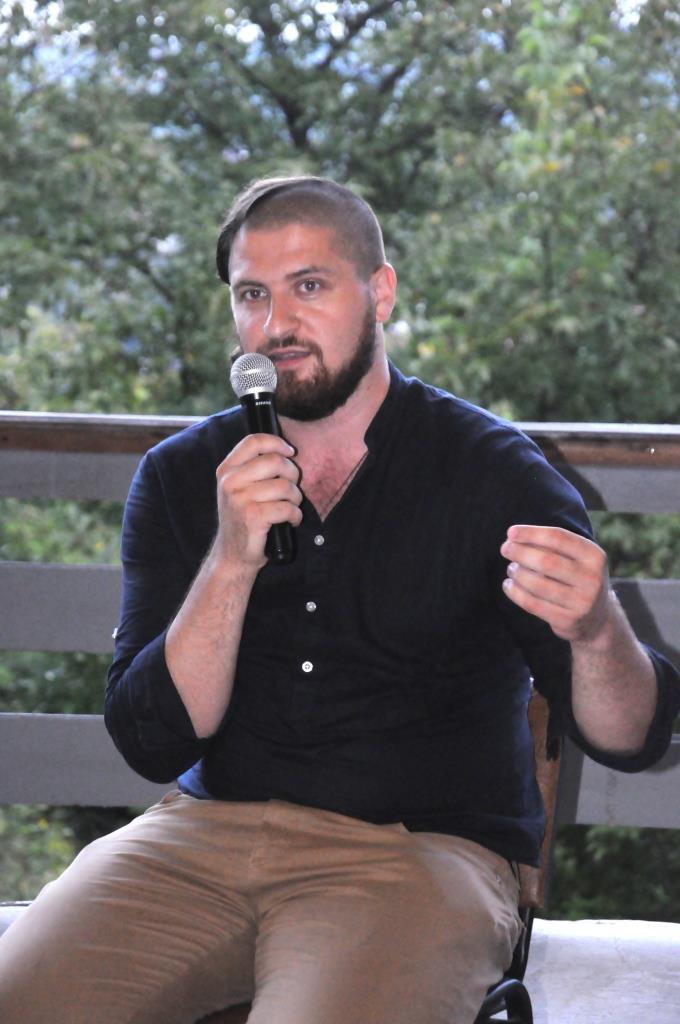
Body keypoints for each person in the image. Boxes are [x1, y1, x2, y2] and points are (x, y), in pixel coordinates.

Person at [1, 175, 678, 1024]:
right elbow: (152, 740)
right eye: (253, 294)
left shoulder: (495, 474)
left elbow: (629, 738)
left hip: (419, 857)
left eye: (309, 286)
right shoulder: (183, 475)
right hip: (201, 837)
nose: (276, 324)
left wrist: (597, 630)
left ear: (380, 292)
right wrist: (231, 560)